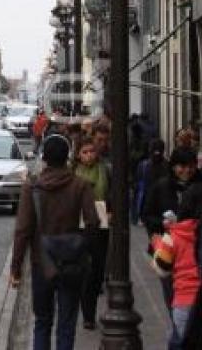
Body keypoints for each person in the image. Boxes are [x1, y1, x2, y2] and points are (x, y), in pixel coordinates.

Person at [11, 135, 99, 350]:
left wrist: (16, 268)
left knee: (42, 321)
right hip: (71, 263)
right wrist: (81, 246)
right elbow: (93, 223)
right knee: (67, 323)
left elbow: (23, 230)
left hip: (42, 262)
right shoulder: (80, 185)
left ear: (44, 158)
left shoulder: (31, 187)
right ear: (68, 157)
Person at [142, 147, 200, 313]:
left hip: (193, 248)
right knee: (171, 293)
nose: (187, 170)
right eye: (182, 166)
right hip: (167, 247)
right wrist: (162, 223)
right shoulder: (161, 187)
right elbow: (147, 215)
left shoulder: (200, 186)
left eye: (191, 166)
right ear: (173, 166)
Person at [151, 191, 202, 350]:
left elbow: (162, 269)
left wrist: (158, 246)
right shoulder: (201, 232)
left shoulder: (172, 236)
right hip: (201, 297)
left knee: (181, 340)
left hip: (183, 298)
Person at [72, 139, 110, 330]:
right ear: (78, 154)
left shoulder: (105, 170)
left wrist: (111, 210)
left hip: (101, 227)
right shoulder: (72, 173)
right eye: (84, 152)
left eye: (91, 151)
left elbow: (112, 194)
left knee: (97, 272)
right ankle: (87, 315)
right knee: (82, 271)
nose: (88, 155)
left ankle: (90, 306)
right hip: (78, 227)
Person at [134, 139, 168, 224]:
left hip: (155, 204)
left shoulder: (144, 165)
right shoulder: (165, 165)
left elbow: (138, 186)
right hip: (153, 204)